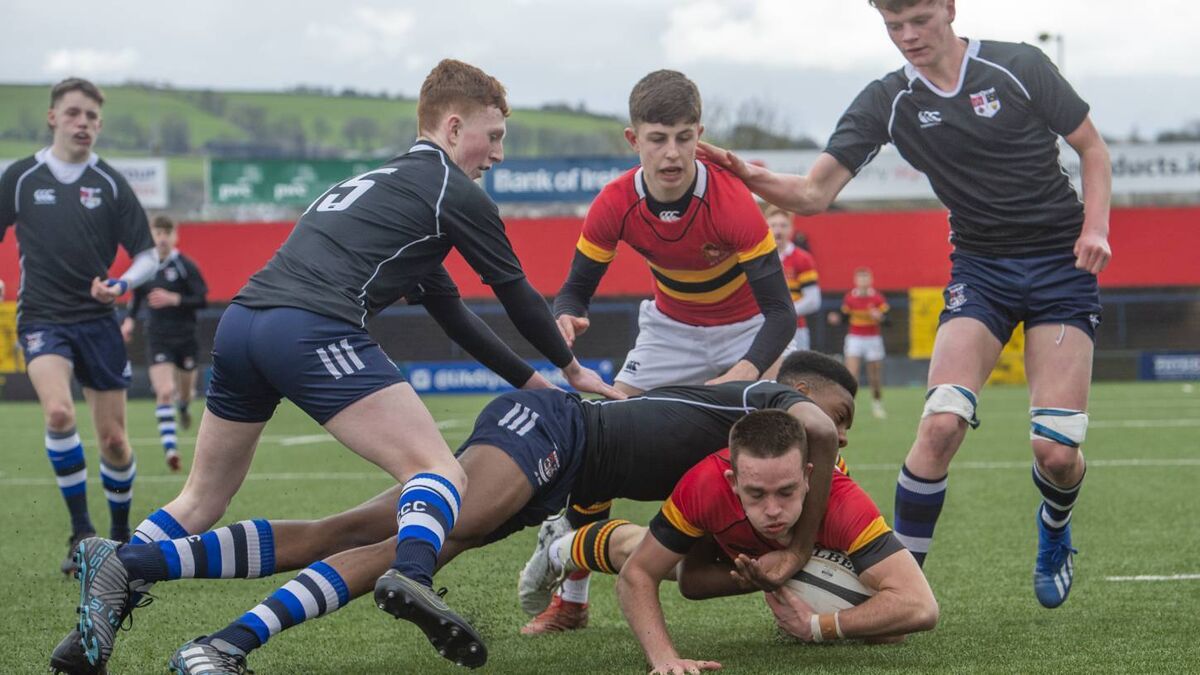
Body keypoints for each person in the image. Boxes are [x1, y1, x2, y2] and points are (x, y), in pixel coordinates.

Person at [61, 59, 622, 673]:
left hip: (242, 324)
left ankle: (112, 584)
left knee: (199, 501)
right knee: (438, 471)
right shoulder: (452, 191)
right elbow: (516, 294)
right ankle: (412, 575)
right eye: (494, 136)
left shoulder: (386, 187)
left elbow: (455, 317)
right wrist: (572, 369)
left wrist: (536, 385)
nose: (498, 154)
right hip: (309, 327)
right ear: (454, 127)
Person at [52, 352, 843, 673]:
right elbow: (815, 427)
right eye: (838, 414)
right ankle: (144, 575)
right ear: (802, 393)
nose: (836, 437)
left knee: (358, 531)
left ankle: (212, 637)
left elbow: (692, 574)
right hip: (552, 429)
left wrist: (765, 570)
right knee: (431, 540)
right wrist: (801, 545)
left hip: (552, 471)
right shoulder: (771, 402)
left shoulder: (748, 465)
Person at [700, 0, 1111, 608]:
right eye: (894, 26)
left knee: (1055, 453)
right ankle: (899, 584)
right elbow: (813, 192)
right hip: (982, 271)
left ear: (949, 8)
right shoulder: (888, 99)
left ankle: (1054, 526)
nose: (908, 36)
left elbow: (1092, 148)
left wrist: (1095, 228)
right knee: (941, 423)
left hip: (1061, 266)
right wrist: (743, 171)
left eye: (919, 20)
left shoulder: (1019, 66)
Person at [547, 69, 797, 626]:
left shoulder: (732, 201)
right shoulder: (615, 201)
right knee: (600, 436)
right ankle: (571, 598)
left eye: (684, 137)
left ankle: (805, 579)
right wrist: (567, 315)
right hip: (670, 330)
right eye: (657, 138)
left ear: (699, 135)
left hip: (749, 331)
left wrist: (745, 370)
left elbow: (782, 314)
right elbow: (573, 290)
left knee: (793, 441)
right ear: (633, 139)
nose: (672, 153)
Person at [616, 410, 938, 674]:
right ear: (733, 482)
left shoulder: (842, 502)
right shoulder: (705, 485)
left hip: (764, 554)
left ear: (808, 477)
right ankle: (581, 541)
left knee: (888, 633)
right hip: (720, 547)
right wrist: (664, 658)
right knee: (634, 549)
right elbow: (661, 576)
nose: (772, 510)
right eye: (756, 494)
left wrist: (817, 625)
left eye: (786, 491)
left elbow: (919, 606)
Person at [0, 78, 160, 575]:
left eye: (91, 116)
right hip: (42, 317)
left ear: (99, 125)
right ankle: (81, 533)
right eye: (73, 113)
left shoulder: (110, 183)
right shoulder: (21, 177)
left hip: (98, 321)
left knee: (114, 441)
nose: (82, 123)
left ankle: (120, 537)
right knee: (58, 413)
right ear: (53, 117)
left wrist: (121, 284)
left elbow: (148, 254)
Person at [121, 215, 209, 471]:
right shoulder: (145, 267)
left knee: (184, 392)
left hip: (185, 336)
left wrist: (175, 299)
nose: (162, 238)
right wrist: (128, 321)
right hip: (158, 337)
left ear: (175, 237)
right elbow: (137, 297)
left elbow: (202, 299)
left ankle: (184, 406)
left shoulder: (185, 266)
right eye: (157, 233)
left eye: (166, 233)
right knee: (165, 391)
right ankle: (170, 449)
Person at [827, 267, 890, 419]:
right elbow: (844, 317)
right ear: (856, 281)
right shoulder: (850, 298)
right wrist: (836, 318)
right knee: (851, 374)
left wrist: (880, 317)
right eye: (860, 278)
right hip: (855, 338)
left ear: (870, 280)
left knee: (874, 377)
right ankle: (849, 407)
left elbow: (889, 321)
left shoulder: (878, 298)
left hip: (873, 339)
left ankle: (877, 404)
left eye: (865, 278)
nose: (863, 281)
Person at [765, 204, 821, 351]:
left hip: (795, 329)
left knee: (796, 366)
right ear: (766, 228)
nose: (778, 230)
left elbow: (813, 300)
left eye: (783, 225)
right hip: (762, 329)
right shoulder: (758, 258)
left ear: (791, 229)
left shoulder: (803, 259)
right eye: (773, 225)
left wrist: (783, 314)